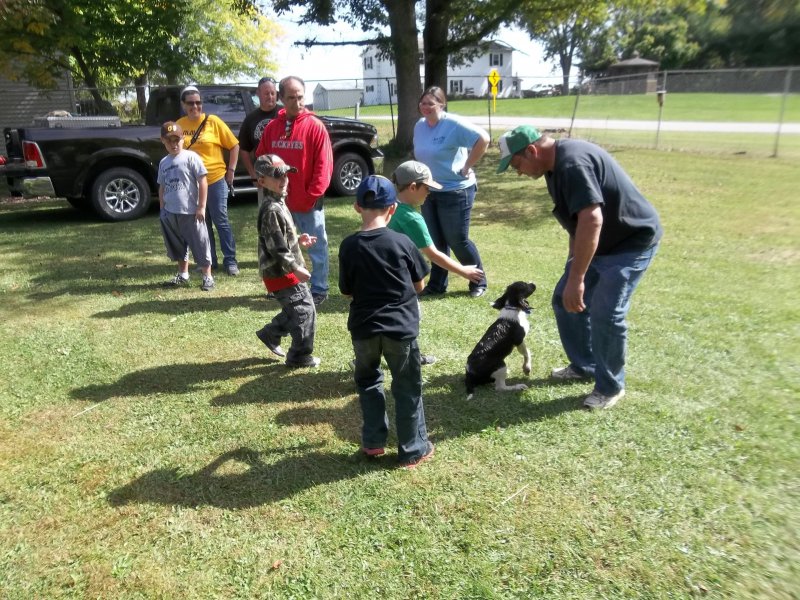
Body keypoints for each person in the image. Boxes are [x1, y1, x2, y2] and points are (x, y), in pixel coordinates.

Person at [497, 125, 663, 410]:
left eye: (517, 164)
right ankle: (585, 365)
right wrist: (573, 266)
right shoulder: (552, 167)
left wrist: (578, 278)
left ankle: (610, 386)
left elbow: (592, 220)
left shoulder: (573, 163)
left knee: (606, 313)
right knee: (564, 300)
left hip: (629, 242)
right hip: (601, 243)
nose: (519, 172)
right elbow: (576, 223)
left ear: (532, 151)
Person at [339, 175, 435, 469]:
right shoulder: (403, 242)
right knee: (406, 386)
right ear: (392, 208)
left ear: (357, 207)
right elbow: (420, 284)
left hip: (364, 329)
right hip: (399, 329)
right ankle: (412, 449)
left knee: (369, 382)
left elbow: (347, 291)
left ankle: (373, 442)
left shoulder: (349, 245)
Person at [388, 160, 485, 366]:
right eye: (427, 188)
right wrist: (463, 270)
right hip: (401, 280)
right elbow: (434, 254)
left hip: (381, 275)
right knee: (410, 318)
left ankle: (364, 358)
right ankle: (411, 357)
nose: (429, 193)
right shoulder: (412, 218)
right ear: (413, 187)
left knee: (384, 318)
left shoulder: (388, 206)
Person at [256, 76, 333, 306]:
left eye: (300, 97)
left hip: (307, 203)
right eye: (291, 97)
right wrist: (265, 185)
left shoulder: (315, 126)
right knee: (280, 245)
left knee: (317, 246)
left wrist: (311, 195)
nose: (297, 102)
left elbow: (324, 165)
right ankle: (284, 285)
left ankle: (319, 288)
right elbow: (262, 157)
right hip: (279, 204)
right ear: (281, 98)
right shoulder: (273, 127)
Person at [413, 86, 490, 298]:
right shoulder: (419, 126)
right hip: (429, 191)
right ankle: (437, 285)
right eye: (423, 103)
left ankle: (478, 281)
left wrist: (466, 166)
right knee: (435, 241)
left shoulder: (452, 124)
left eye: (430, 103)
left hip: (456, 191)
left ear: (442, 104)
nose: (425, 107)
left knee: (457, 239)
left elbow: (483, 139)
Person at [253, 154, 320, 368]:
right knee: (304, 311)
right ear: (262, 181)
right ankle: (299, 356)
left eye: (286, 175)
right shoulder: (271, 209)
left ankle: (270, 333)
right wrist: (296, 267)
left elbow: (281, 237)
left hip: (283, 270)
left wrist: (298, 239)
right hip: (281, 272)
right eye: (277, 176)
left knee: (298, 308)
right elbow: (277, 249)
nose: (284, 180)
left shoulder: (278, 203)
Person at [176, 85, 241, 276]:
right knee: (202, 222)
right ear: (183, 105)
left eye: (198, 102)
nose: (195, 106)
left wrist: (231, 170)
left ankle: (230, 261)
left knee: (221, 221)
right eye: (190, 103)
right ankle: (209, 261)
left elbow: (234, 145)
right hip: (192, 183)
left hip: (215, 179)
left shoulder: (213, 121)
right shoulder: (179, 125)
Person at [156, 121, 214, 292]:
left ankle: (207, 276)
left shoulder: (191, 157)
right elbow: (162, 186)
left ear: (183, 139)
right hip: (170, 211)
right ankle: (183, 274)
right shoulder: (164, 162)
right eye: (169, 141)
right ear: (163, 141)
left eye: (177, 140)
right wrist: (162, 209)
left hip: (190, 211)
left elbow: (202, 180)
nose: (174, 144)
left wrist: (201, 207)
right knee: (177, 244)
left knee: (199, 242)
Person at [239, 76, 279, 205]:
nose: (270, 96)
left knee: (289, 214)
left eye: (273, 93)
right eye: (266, 93)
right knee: (267, 212)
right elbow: (244, 150)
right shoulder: (250, 119)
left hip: (284, 172)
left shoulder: (284, 114)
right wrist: (252, 174)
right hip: (263, 174)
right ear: (258, 94)